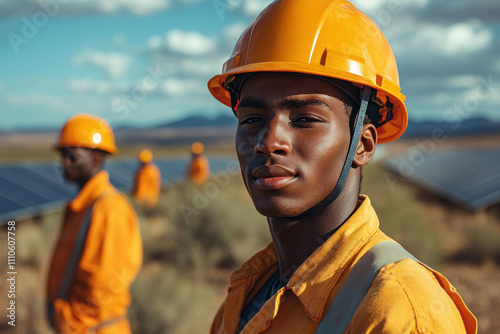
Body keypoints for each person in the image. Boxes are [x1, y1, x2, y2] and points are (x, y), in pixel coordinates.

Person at [206, 0, 477, 333]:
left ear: (363, 145)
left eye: (305, 119)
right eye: (252, 119)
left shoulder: (401, 309)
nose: (268, 141)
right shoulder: (249, 291)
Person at [46, 113, 143, 333]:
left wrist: (72, 324)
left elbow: (102, 287)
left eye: (71, 156)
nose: (64, 162)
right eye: (62, 155)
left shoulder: (109, 209)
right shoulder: (84, 206)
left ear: (96, 158)